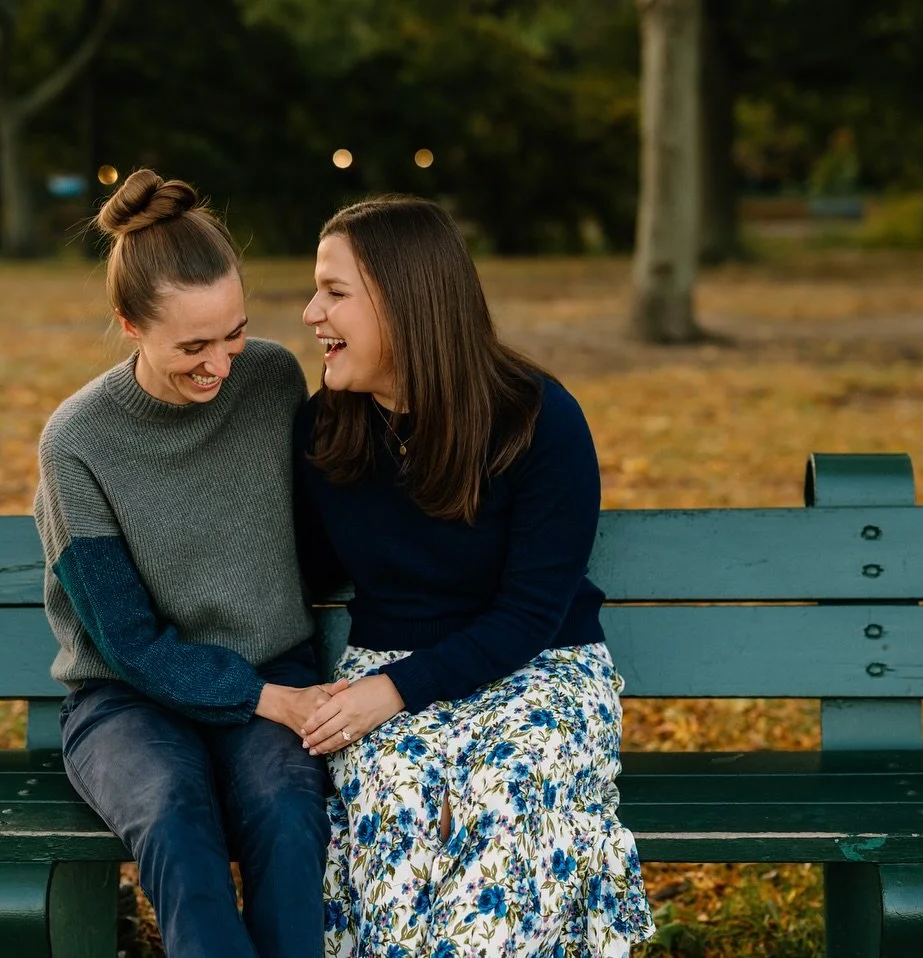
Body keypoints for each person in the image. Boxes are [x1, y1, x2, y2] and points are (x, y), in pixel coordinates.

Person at [292, 196, 656, 957]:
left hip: (540, 669)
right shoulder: (327, 427)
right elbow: (301, 566)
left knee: (505, 796)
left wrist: (388, 694)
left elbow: (529, 615)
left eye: (334, 291)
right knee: (396, 800)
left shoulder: (535, 417)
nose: (308, 313)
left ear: (404, 298)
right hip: (385, 672)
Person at [34, 169, 339, 958]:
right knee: (173, 810)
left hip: (274, 666)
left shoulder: (272, 379)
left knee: (288, 810)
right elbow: (127, 641)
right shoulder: (78, 442)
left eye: (233, 332)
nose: (221, 364)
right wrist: (265, 697)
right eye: (193, 346)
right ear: (130, 324)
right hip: (128, 700)